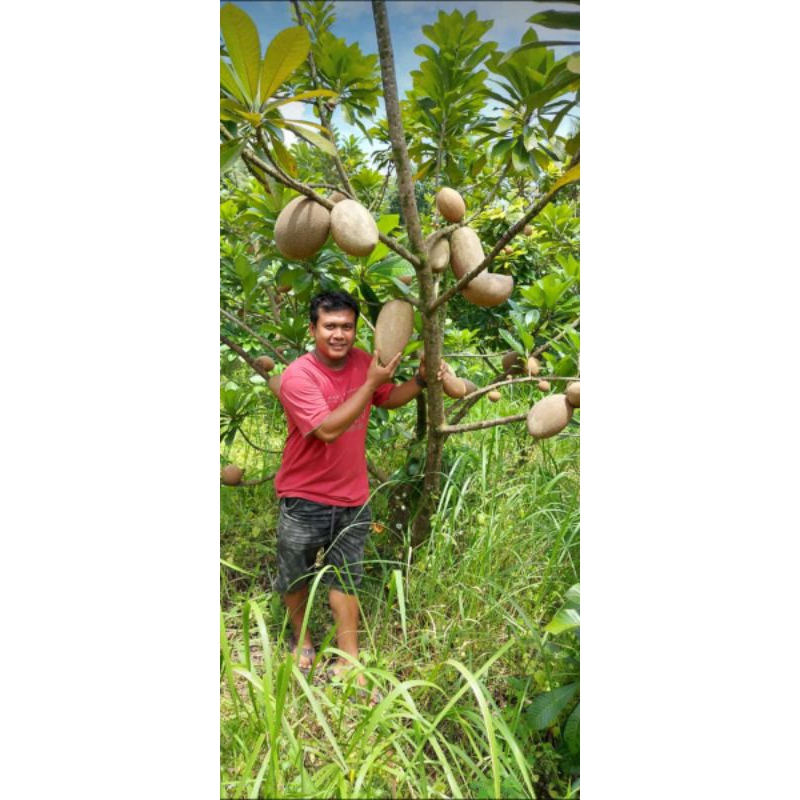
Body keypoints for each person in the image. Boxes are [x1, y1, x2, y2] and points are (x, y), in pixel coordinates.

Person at [273, 290, 439, 700]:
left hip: (353, 496)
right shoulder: (299, 375)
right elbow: (328, 430)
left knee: (347, 577)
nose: (340, 334)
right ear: (313, 329)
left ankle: (350, 657)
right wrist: (369, 385)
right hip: (303, 496)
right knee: (294, 573)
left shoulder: (365, 362)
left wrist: (418, 380)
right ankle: (302, 637)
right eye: (330, 326)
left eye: (347, 326)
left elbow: (388, 399)